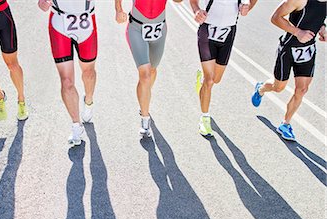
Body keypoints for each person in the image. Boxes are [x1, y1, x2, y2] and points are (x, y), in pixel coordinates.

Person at [251, 0, 326, 141]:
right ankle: (261, 89)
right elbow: (276, 17)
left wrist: (322, 28)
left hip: (307, 51)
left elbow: (317, 15)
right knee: (278, 87)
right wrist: (298, 32)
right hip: (288, 49)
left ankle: (285, 124)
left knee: (302, 89)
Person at [191, 0, 257, 137]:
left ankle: (202, 85)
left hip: (228, 33)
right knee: (209, 81)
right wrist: (197, 10)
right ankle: (204, 119)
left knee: (216, 79)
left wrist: (249, 6)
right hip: (207, 31)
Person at [116, 0, 181, 137]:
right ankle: (145, 120)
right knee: (145, 75)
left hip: (159, 29)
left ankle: (144, 98)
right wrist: (118, 9)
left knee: (152, 71)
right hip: (136, 28)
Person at [38, 0, 97, 146]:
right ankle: (76, 126)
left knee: (88, 73)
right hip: (59, 23)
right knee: (66, 81)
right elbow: (42, 4)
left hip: (86, 22)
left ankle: (88, 101)